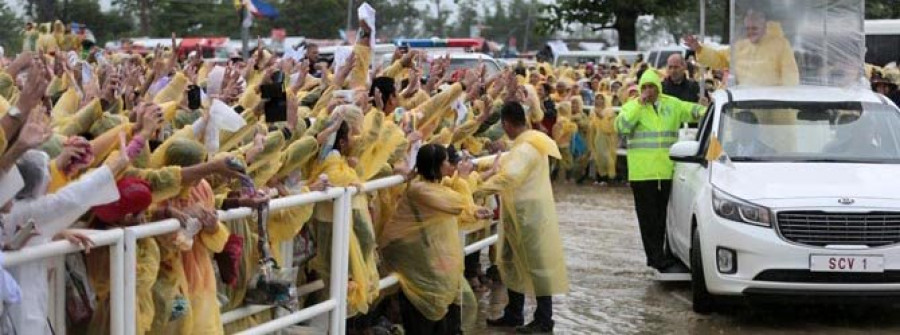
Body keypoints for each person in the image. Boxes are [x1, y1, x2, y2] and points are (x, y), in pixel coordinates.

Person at [477, 100, 568, 334]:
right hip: (518, 213)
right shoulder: (528, 142)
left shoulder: (526, 148)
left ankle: (544, 320)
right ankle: (514, 313)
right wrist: (478, 166)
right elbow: (508, 159)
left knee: (537, 265)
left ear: (506, 123)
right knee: (510, 261)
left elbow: (509, 175)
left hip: (528, 214)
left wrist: (477, 189)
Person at [380, 143, 491, 334]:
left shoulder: (434, 187)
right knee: (424, 322)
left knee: (446, 317)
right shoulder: (420, 190)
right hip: (418, 264)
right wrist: (463, 179)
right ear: (436, 166)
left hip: (431, 262)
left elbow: (457, 205)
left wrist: (473, 210)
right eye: (446, 162)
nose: (450, 165)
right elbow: (455, 203)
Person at [615, 70, 704, 273]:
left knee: (663, 216)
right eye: (644, 87)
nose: (648, 91)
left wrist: (705, 108)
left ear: (658, 87)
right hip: (642, 174)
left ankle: (663, 254)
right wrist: (639, 105)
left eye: (651, 87)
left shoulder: (671, 104)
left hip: (666, 171)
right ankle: (655, 257)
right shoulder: (631, 106)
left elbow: (691, 110)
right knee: (648, 218)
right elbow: (622, 127)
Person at [684, 8, 799, 86]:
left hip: (775, 108)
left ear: (764, 28)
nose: (750, 32)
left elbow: (790, 76)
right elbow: (720, 59)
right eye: (748, 28)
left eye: (754, 28)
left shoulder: (780, 45)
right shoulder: (740, 47)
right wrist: (699, 49)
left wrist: (785, 99)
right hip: (745, 106)